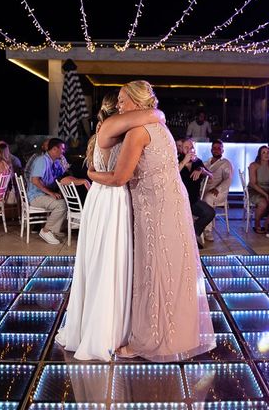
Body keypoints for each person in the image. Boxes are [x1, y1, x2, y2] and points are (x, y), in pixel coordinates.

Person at [88, 80, 215, 362]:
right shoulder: (161, 128)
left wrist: (92, 174)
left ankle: (146, 342)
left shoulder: (138, 132)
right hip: (173, 203)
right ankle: (178, 335)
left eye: (122, 100)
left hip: (155, 208)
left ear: (136, 102)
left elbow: (119, 178)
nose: (119, 105)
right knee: (174, 271)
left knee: (153, 271)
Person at [55, 93, 162, 361]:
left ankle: (94, 326)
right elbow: (120, 175)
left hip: (99, 198)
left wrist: (90, 175)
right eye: (125, 106)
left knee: (99, 262)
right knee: (111, 263)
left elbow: (93, 168)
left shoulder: (101, 133)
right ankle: (109, 332)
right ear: (119, 111)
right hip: (113, 199)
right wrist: (157, 114)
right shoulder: (117, 131)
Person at [27, 138, 90, 245]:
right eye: (62, 149)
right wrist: (51, 193)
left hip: (43, 194)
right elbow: (35, 180)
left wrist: (82, 181)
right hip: (36, 196)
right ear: (55, 149)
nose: (64, 151)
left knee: (64, 200)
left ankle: (54, 230)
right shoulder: (42, 160)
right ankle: (46, 230)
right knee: (61, 205)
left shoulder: (55, 162)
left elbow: (64, 177)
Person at [178, 139, 215, 248]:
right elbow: (171, 176)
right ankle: (186, 240)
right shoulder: (176, 161)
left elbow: (211, 177)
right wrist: (184, 161)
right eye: (186, 147)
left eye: (191, 147)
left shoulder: (197, 162)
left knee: (210, 212)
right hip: (179, 201)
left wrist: (202, 170)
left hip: (193, 200)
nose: (189, 150)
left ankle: (193, 235)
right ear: (180, 149)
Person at [202, 139, 233, 241]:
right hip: (205, 189)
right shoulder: (206, 162)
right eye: (214, 148)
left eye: (218, 148)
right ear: (211, 150)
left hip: (219, 192)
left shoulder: (225, 163)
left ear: (222, 150)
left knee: (208, 198)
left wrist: (217, 188)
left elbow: (228, 179)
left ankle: (207, 230)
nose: (216, 150)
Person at [248, 145, 269, 234]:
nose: (266, 154)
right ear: (259, 155)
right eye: (264, 152)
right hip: (255, 190)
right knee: (263, 203)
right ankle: (257, 223)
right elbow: (253, 184)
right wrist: (266, 195)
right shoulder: (254, 165)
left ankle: (266, 224)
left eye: (268, 152)